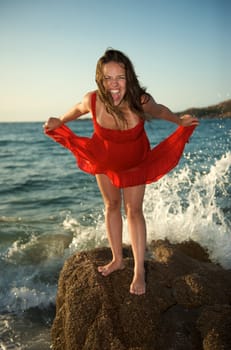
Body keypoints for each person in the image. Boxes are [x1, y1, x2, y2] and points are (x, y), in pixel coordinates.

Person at [44, 49, 199, 296]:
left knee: (134, 211)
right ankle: (117, 259)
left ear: (129, 77)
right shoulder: (92, 100)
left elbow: (160, 111)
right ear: (100, 79)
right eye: (108, 78)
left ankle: (139, 270)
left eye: (120, 77)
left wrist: (180, 121)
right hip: (103, 159)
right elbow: (75, 109)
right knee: (112, 205)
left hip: (135, 161)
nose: (114, 84)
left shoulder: (141, 100)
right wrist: (59, 121)